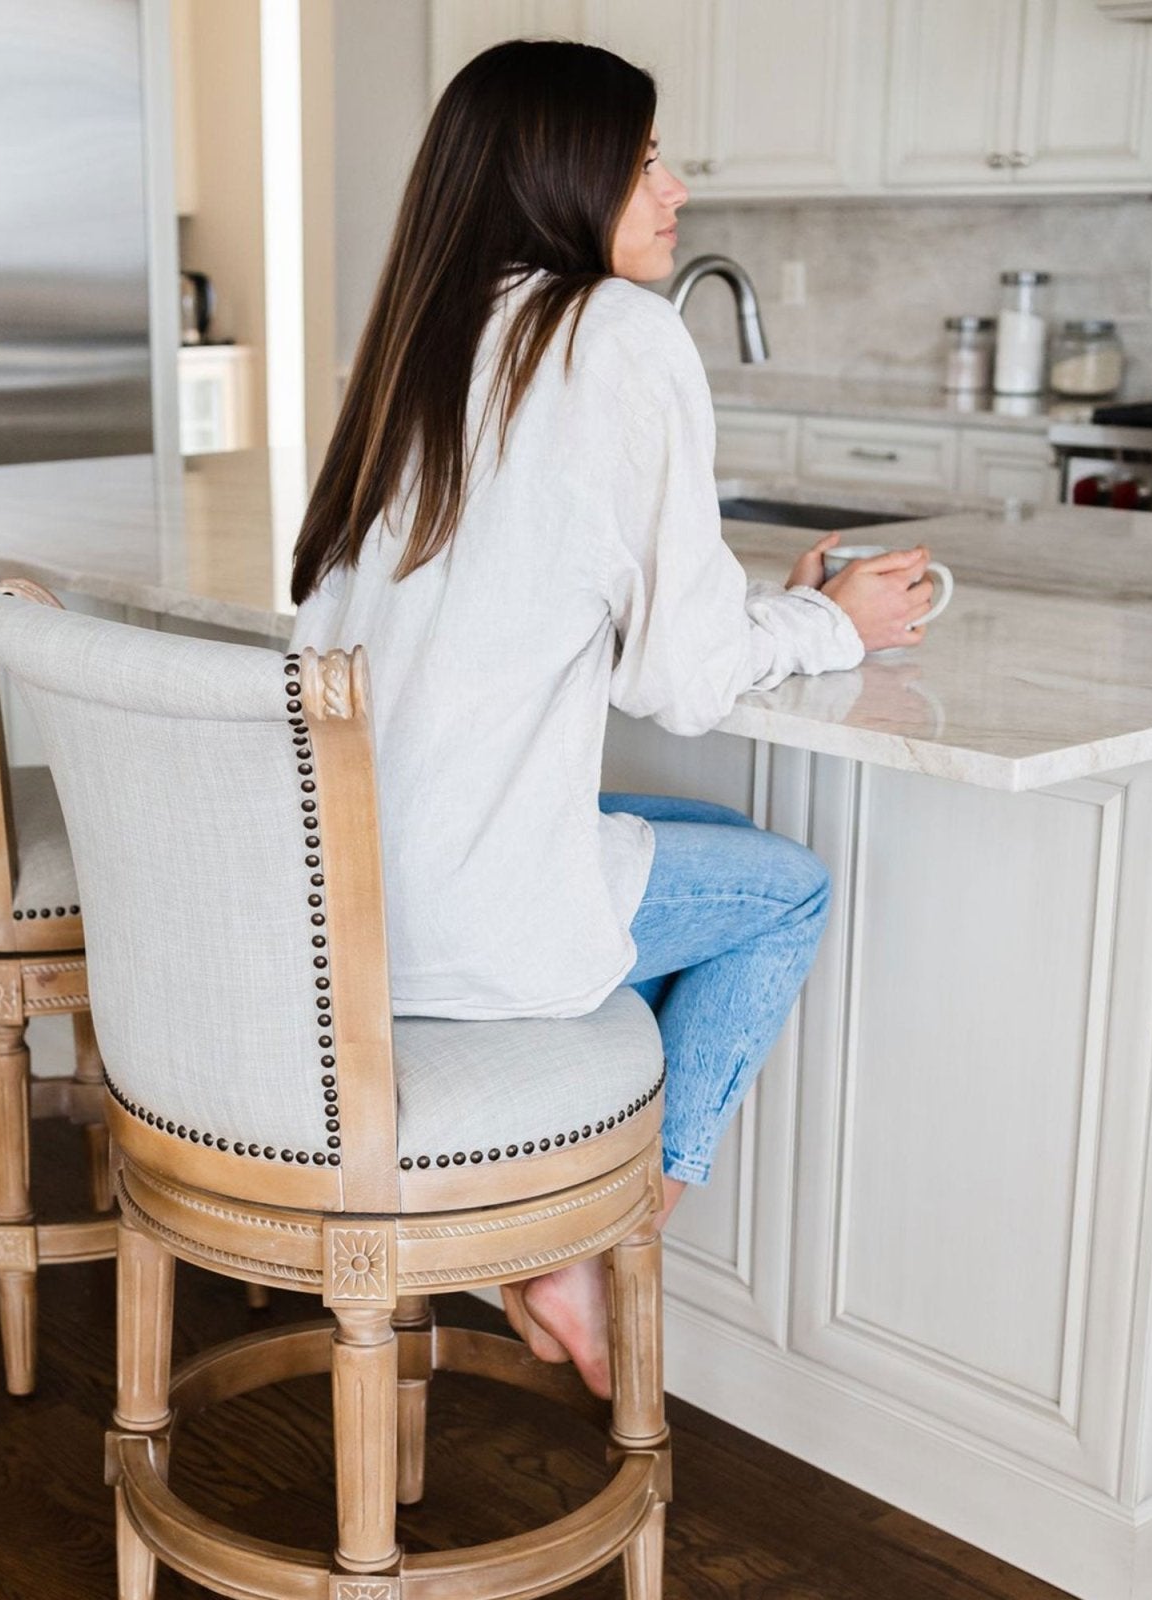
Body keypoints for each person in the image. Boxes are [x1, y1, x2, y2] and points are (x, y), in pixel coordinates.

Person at [288, 39, 934, 1397]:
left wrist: (768, 604)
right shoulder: (617, 332)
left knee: (680, 834)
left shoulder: (428, 332)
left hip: (331, 912)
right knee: (786, 890)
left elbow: (586, 608)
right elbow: (682, 687)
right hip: (465, 922)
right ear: (562, 171)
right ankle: (591, 1231)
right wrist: (837, 624)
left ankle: (542, 1190)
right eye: (645, 160)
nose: (677, 185)